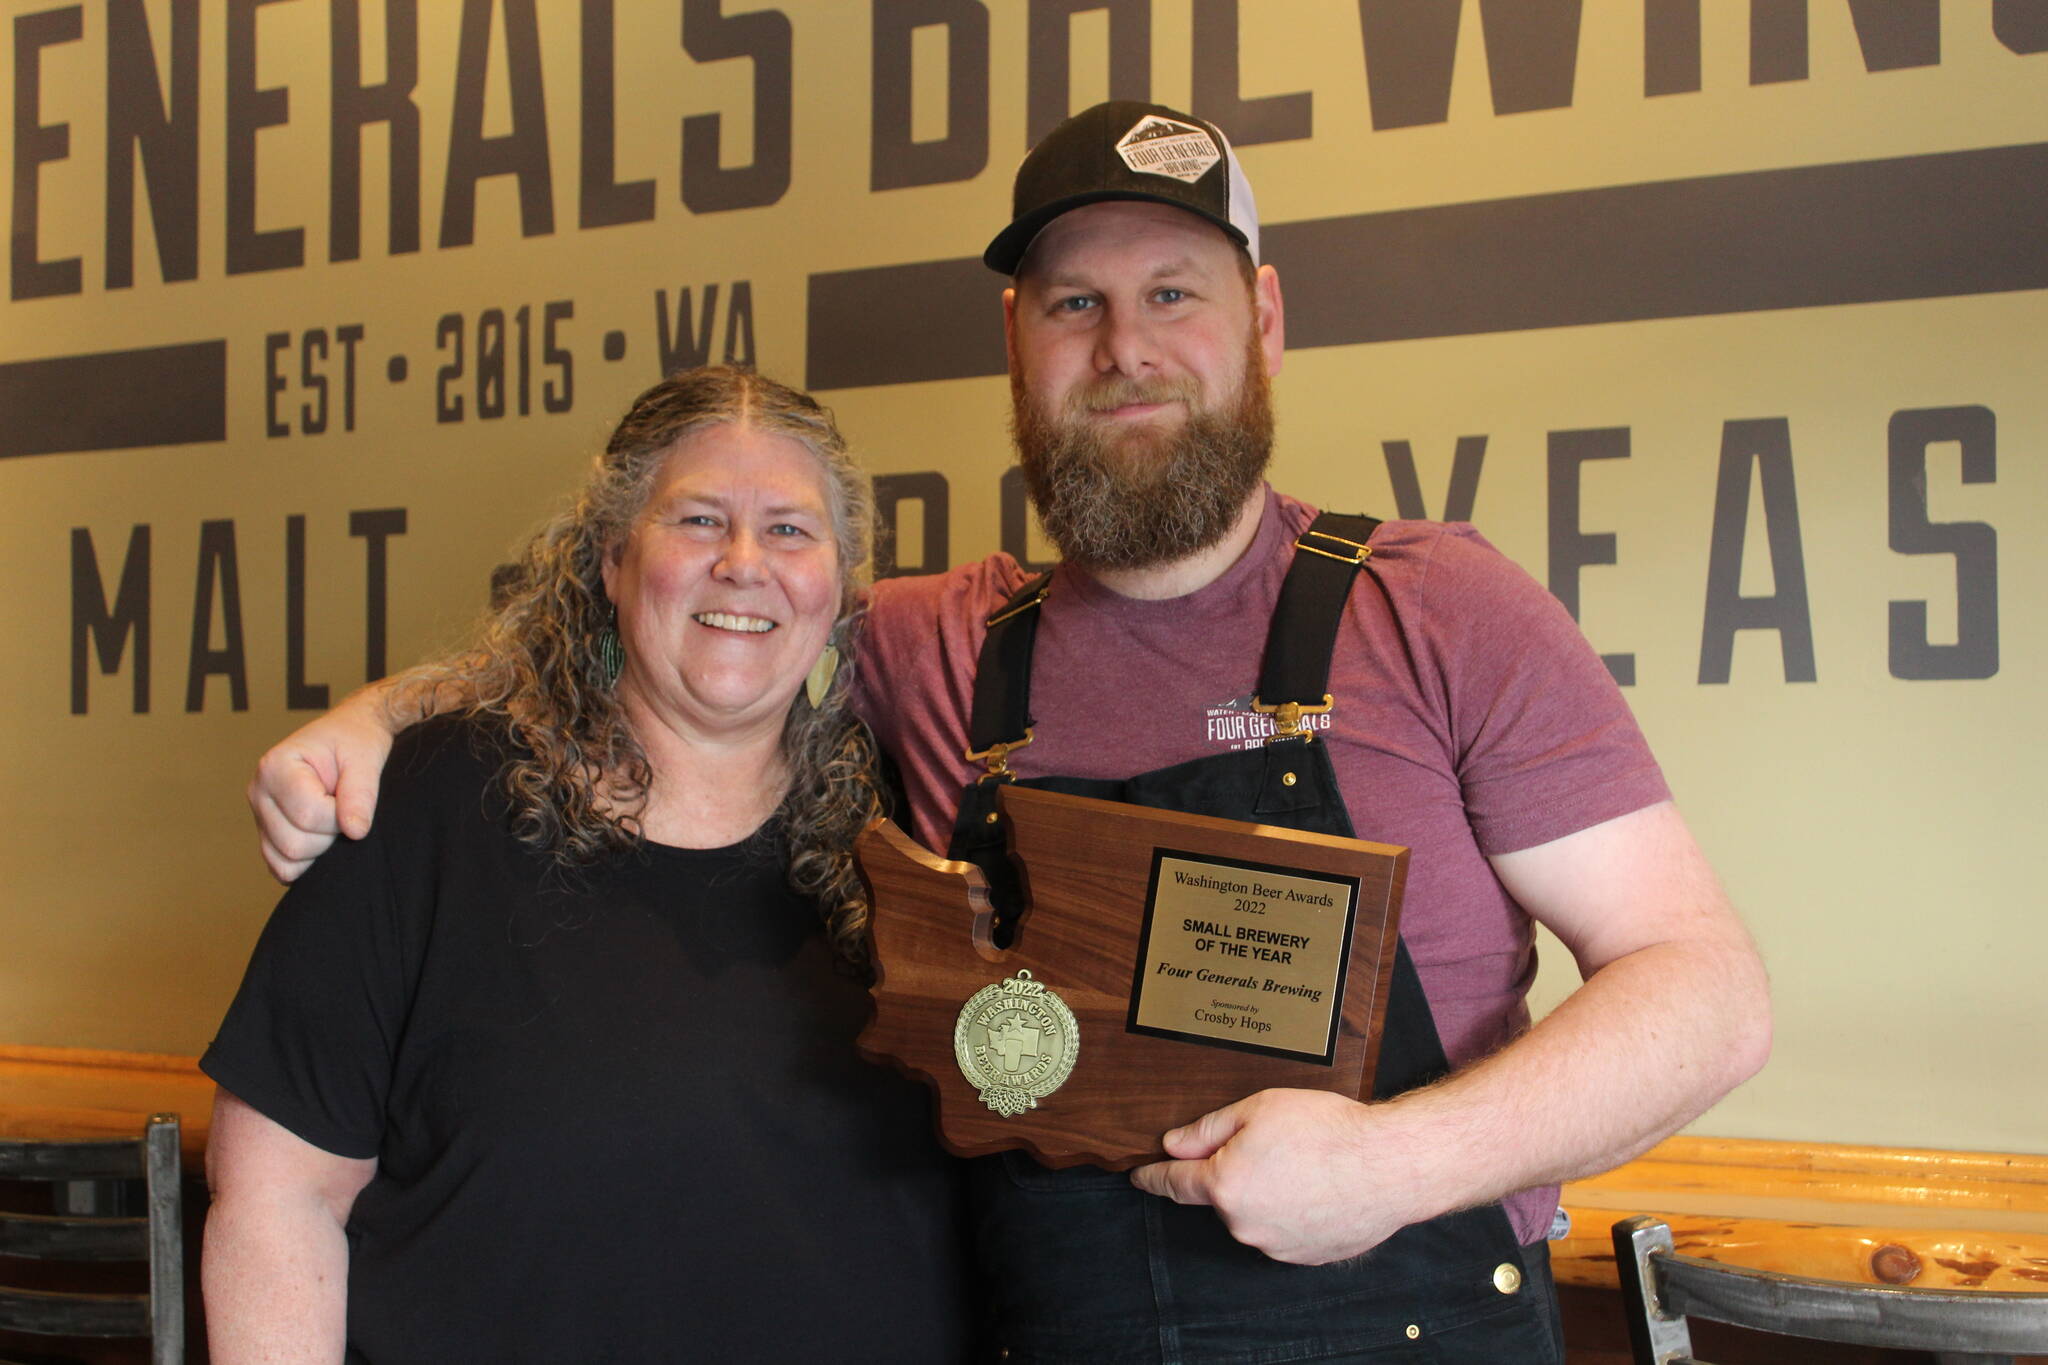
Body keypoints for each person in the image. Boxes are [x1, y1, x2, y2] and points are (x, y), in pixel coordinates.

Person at [249, 104, 1770, 1363]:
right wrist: (374, 720)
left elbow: (1706, 994)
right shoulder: (927, 644)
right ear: (1016, 343)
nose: (1127, 347)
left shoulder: (1439, 609)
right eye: (1075, 304)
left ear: (1266, 320)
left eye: (1175, 291)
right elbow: (687, 631)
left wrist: (1391, 1164)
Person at [203, 367, 973, 1363]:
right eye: (696, 519)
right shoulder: (427, 812)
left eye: (789, 529)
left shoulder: (913, 822)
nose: (744, 563)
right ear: (610, 560)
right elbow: (278, 1197)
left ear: (839, 589)